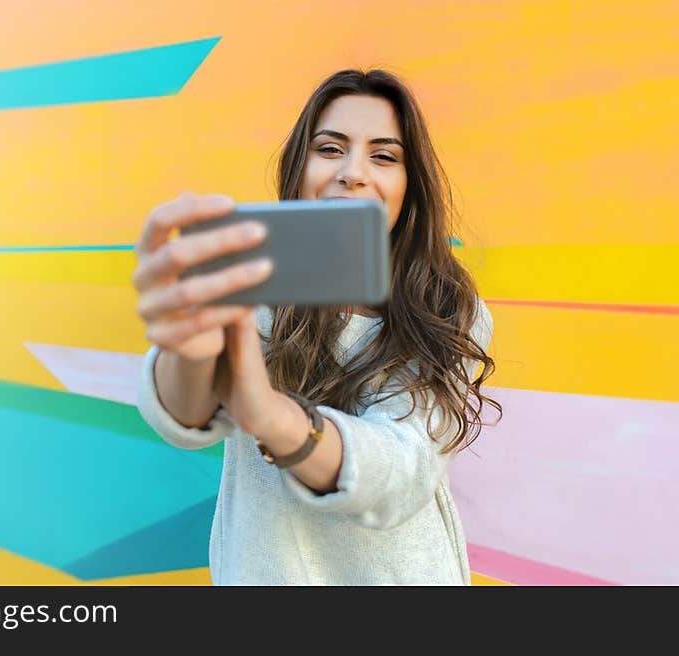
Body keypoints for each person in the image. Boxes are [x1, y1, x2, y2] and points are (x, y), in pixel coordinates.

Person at [131, 69, 502, 585]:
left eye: (384, 156)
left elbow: (402, 469)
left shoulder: (448, 307)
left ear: (409, 186)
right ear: (299, 168)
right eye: (330, 149)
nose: (353, 172)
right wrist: (189, 348)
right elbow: (185, 418)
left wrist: (275, 418)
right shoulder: (248, 283)